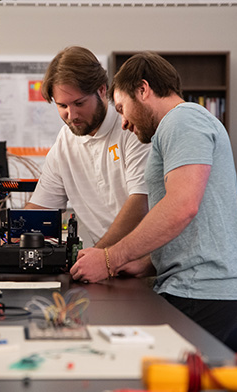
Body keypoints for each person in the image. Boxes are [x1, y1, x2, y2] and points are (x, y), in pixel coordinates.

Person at [70, 51, 237, 341]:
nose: (124, 123)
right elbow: (197, 223)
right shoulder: (183, 124)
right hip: (199, 288)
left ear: (143, 90)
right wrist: (147, 263)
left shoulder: (182, 121)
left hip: (201, 291)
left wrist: (109, 259)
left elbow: (182, 207)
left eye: (121, 108)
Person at [24, 46, 150, 248]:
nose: (71, 115)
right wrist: (4, 243)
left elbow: (141, 202)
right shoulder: (64, 144)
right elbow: (41, 210)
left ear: (101, 90)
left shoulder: (131, 128)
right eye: (62, 106)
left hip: (144, 258)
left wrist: (98, 255)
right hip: (106, 261)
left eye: (79, 103)